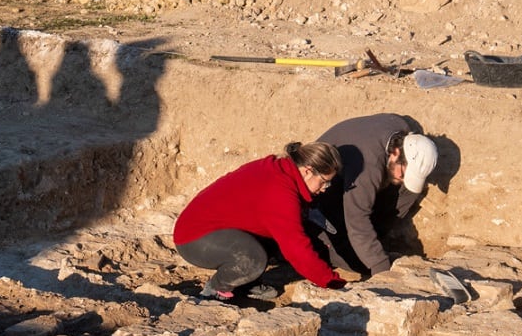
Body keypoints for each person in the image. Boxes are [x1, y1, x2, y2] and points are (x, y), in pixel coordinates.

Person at [173, 141, 347, 301]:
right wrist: (329, 281)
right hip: (194, 239)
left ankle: (245, 283)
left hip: (219, 230)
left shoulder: (282, 170)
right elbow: (295, 246)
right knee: (253, 259)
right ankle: (216, 289)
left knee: (269, 244)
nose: (325, 189)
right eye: (324, 182)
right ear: (307, 170)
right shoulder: (280, 190)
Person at [310, 113, 438, 278]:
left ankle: (373, 240)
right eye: (404, 173)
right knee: (359, 261)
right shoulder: (367, 166)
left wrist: (374, 241)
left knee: (409, 190)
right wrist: (381, 269)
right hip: (321, 195)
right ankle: (321, 244)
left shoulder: (401, 131)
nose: (404, 178)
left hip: (349, 183)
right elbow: (357, 220)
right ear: (397, 152)